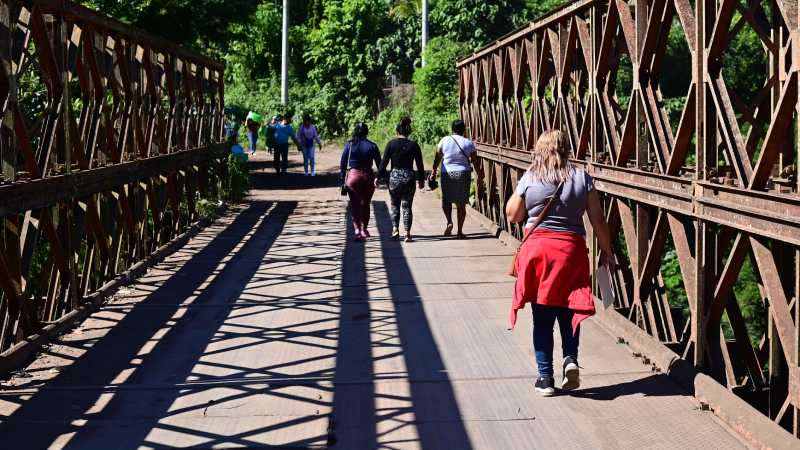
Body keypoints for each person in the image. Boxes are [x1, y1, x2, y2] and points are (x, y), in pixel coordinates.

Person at [505, 129, 615, 397]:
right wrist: (608, 251)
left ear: (539, 149)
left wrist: (526, 194)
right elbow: (598, 219)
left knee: (542, 318)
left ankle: (545, 380)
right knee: (569, 309)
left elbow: (513, 215)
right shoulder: (581, 177)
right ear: (566, 148)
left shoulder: (531, 176)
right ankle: (570, 359)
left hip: (539, 253)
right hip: (570, 252)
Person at [430, 119, 485, 239]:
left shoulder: (444, 140)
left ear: (452, 129)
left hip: (448, 173)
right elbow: (475, 163)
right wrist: (480, 176)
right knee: (461, 204)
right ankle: (459, 231)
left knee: (446, 200)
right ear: (464, 130)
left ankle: (449, 221)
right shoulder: (468, 143)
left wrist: (434, 171)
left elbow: (437, 157)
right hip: (462, 173)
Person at [377, 117, 425, 242]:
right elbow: (420, 165)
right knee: (407, 206)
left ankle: (395, 229)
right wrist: (421, 180)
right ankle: (407, 234)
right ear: (408, 132)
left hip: (394, 178)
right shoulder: (414, 145)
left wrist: (379, 177)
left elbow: (383, 164)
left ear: (397, 131)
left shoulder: (391, 144)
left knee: (394, 205)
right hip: (409, 178)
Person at [340, 122, 381, 241]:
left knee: (355, 205)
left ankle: (357, 230)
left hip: (353, 177)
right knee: (366, 204)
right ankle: (364, 229)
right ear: (366, 132)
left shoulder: (350, 145)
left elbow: (343, 163)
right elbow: (379, 163)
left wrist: (343, 177)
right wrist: (380, 176)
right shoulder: (372, 146)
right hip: (368, 176)